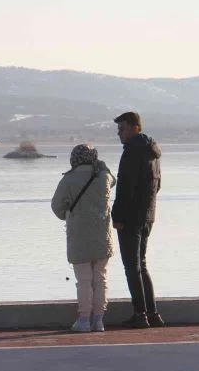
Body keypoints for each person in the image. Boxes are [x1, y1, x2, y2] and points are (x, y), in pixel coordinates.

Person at [52, 144, 116, 332]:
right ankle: (99, 320)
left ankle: (84, 319)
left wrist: (69, 215)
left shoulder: (68, 180)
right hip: (102, 236)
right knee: (100, 278)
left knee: (84, 280)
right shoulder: (103, 177)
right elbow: (114, 180)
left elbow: (57, 207)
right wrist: (102, 166)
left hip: (79, 236)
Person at [112, 111, 164, 329]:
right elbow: (157, 186)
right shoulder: (152, 153)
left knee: (132, 267)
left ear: (135, 127)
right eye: (118, 130)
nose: (119, 134)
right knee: (141, 264)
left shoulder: (132, 152)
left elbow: (125, 188)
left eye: (122, 129)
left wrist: (117, 216)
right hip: (148, 216)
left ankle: (140, 314)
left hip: (132, 218)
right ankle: (152, 314)